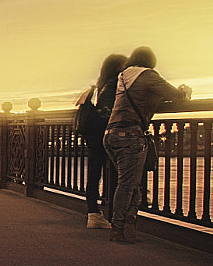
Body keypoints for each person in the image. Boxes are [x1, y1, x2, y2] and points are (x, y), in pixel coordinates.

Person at [103, 46, 191, 243]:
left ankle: (129, 222)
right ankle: (117, 227)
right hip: (130, 135)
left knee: (131, 183)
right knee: (128, 184)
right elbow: (175, 95)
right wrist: (185, 91)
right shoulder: (148, 76)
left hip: (110, 135)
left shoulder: (123, 76)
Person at [75, 53, 126, 228]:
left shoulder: (98, 86)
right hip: (107, 132)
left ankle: (93, 213)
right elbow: (110, 109)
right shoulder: (116, 84)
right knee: (122, 170)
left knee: (95, 173)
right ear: (117, 67)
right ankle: (122, 211)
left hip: (92, 132)